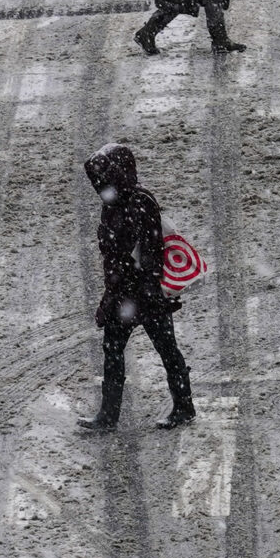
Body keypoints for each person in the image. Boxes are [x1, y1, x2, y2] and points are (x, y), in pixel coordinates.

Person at [78, 144, 195, 431]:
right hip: (123, 291)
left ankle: (183, 407)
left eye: (104, 174)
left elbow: (150, 252)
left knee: (166, 348)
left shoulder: (141, 202)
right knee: (114, 350)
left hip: (144, 292)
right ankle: (109, 415)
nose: (100, 182)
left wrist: (145, 289)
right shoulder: (113, 203)